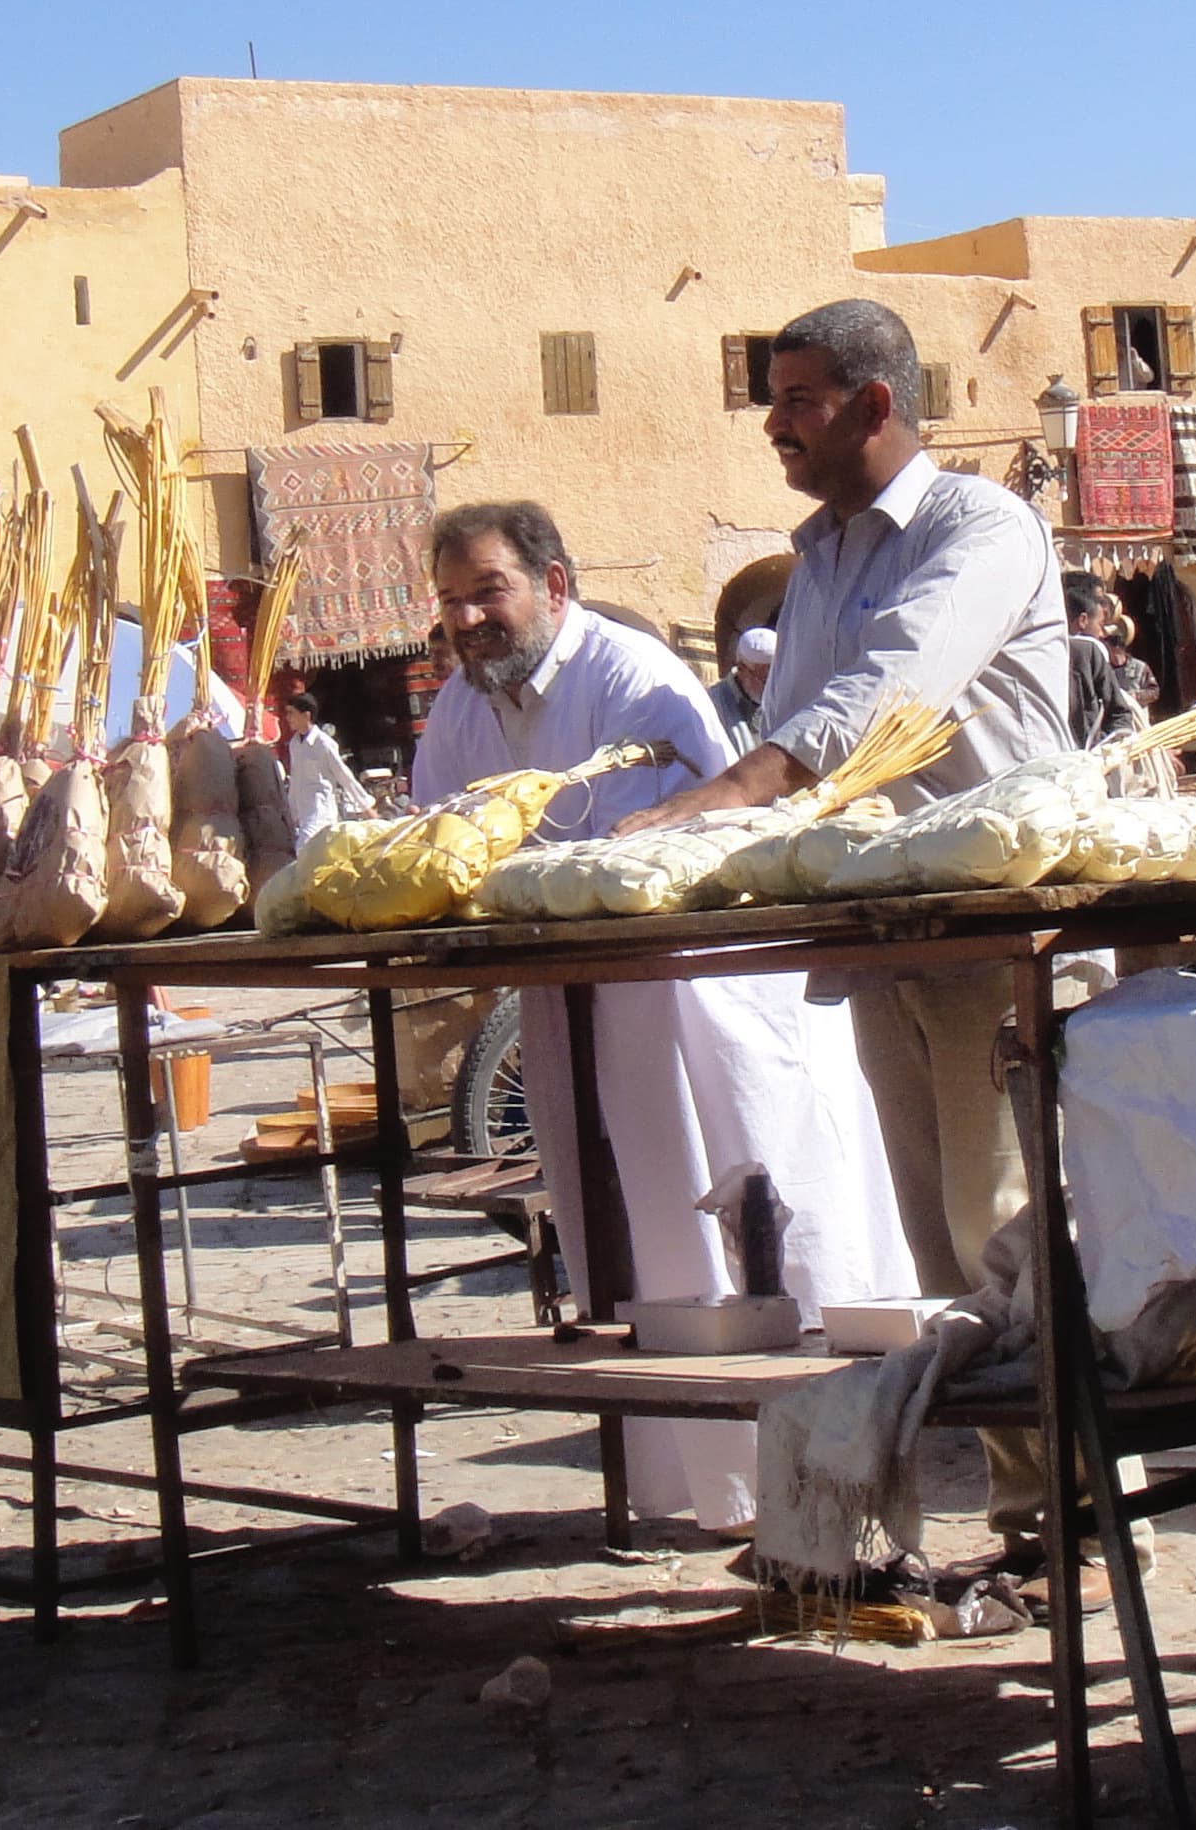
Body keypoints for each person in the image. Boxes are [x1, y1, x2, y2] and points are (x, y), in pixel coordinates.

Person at [617, 296, 1068, 1564]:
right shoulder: (816, 553)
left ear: (877, 405)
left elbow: (890, 696)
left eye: (800, 398)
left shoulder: (982, 525)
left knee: (1004, 1220)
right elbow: (810, 709)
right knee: (941, 1236)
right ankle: (1032, 1504)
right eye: (775, 397)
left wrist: (729, 793)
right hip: (878, 927)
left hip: (987, 923)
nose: (775, 424)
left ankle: (1067, 1514)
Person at [412, 500, 908, 1530]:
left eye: (489, 591)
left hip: (692, 1005)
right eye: (453, 600)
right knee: (629, 1240)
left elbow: (678, 851)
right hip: (571, 1004)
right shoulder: (461, 707)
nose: (468, 619)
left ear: (555, 586)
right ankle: (685, 1489)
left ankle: (817, 1491)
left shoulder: (632, 681)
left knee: (745, 1234)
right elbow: (439, 837)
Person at [278, 689, 373, 843]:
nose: (287, 718)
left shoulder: (323, 743)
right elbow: (296, 780)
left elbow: (343, 775)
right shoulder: (295, 744)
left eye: (291, 713)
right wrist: (292, 812)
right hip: (303, 813)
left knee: (304, 850)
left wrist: (366, 807)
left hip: (320, 810)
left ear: (306, 715)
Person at [1060, 574, 1140, 746]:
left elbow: (1119, 713)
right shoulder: (1086, 650)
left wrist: (1100, 748)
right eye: (1100, 624)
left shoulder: (1088, 652)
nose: (1102, 633)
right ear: (1082, 620)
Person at [710, 625, 777, 756]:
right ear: (741, 669)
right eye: (764, 680)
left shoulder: (782, 695)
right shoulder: (714, 705)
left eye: (776, 677)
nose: (771, 687)